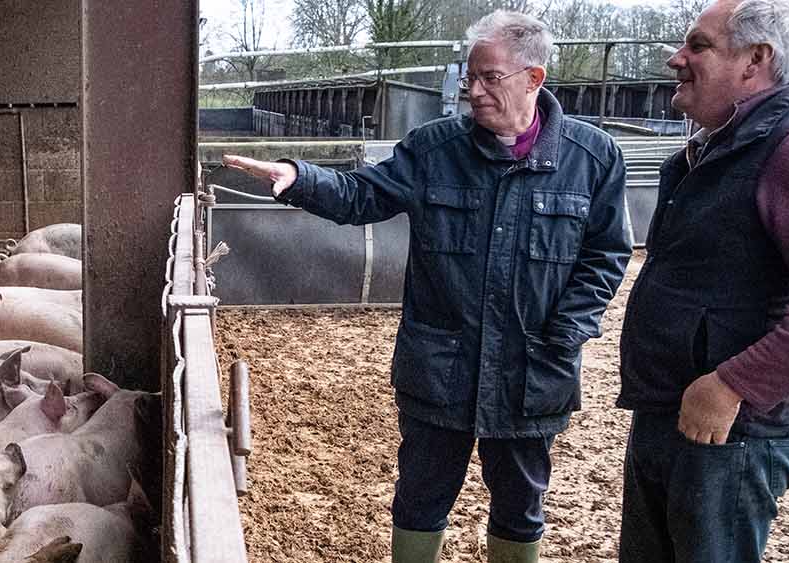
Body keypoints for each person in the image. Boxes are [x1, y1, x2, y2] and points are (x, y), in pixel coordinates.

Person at [224, 10, 631, 563]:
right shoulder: (435, 149)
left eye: (491, 78)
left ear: (534, 78)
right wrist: (299, 179)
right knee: (420, 498)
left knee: (520, 504)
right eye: (471, 76)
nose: (474, 90)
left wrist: (568, 329)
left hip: (532, 369)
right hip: (441, 367)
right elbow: (362, 196)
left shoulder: (592, 158)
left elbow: (607, 254)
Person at [616, 0, 789, 560]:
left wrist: (734, 384)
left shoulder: (784, 149)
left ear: (755, 59)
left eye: (698, 46)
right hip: (671, 413)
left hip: (729, 431)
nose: (676, 59)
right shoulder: (709, 151)